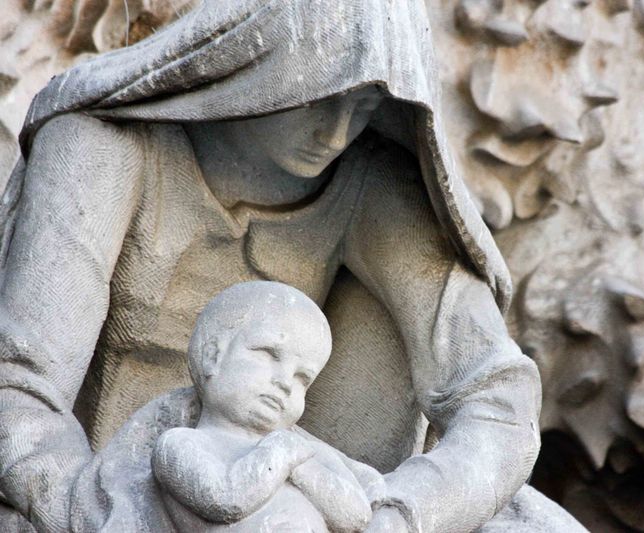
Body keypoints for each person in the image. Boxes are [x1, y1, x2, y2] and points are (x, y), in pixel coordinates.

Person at [0, 1, 573, 532]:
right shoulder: (102, 148)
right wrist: (94, 512)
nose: (337, 133)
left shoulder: (373, 182)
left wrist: (400, 514)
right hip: (110, 490)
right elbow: (18, 390)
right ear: (253, 56)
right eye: (319, 97)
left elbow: (496, 399)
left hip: (305, 495)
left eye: (366, 106)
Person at [152, 281, 382, 532]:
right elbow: (224, 500)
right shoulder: (180, 444)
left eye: (302, 378)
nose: (284, 382)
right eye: (269, 354)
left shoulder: (310, 455)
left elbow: (356, 517)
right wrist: (280, 452)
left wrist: (302, 468)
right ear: (213, 357)